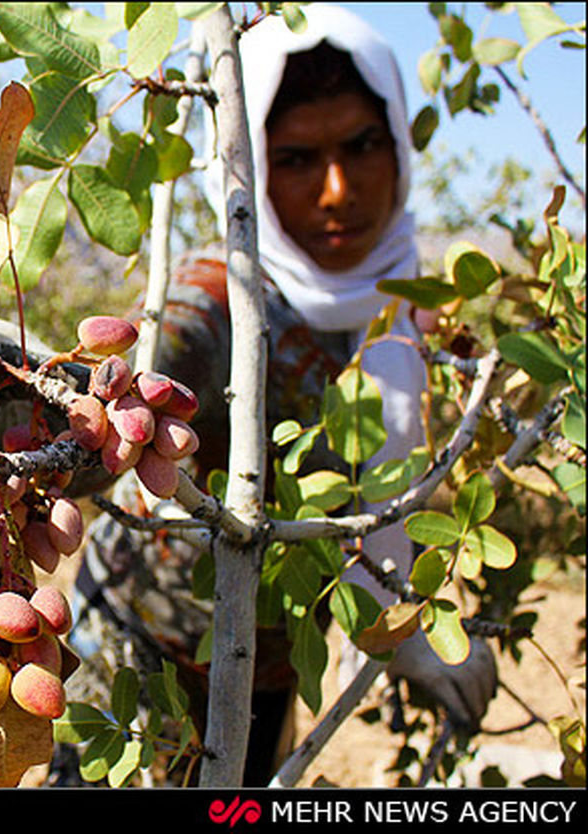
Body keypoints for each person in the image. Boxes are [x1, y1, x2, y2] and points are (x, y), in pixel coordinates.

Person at [49, 4, 497, 786]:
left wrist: (408, 625)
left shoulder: (416, 308)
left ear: (399, 144)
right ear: (248, 167)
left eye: (362, 145)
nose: (337, 191)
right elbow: (96, 410)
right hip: (134, 670)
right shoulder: (211, 301)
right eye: (295, 158)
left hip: (268, 675)